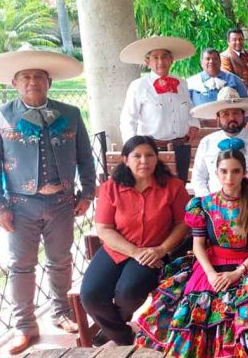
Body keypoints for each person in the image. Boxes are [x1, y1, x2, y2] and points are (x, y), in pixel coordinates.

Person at [0, 47, 95, 354]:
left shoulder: (71, 113)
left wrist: (87, 193)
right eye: (25, 77)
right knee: (21, 265)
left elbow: (85, 158)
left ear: (48, 81)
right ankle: (24, 325)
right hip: (19, 205)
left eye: (38, 77)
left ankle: (61, 311)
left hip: (62, 202)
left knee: (61, 260)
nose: (32, 82)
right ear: (14, 83)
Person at [136, 148, 248, 357]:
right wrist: (210, 273)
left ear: (244, 172)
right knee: (195, 308)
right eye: (224, 171)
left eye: (235, 171)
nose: (229, 177)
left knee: (246, 311)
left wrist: (239, 272)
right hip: (211, 263)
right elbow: (198, 245)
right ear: (216, 173)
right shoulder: (203, 204)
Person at [81, 136, 189, 346]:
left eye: (149, 155)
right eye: (137, 156)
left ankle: (111, 330)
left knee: (128, 292)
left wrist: (162, 249)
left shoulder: (173, 187)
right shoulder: (111, 187)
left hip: (154, 253)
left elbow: (183, 223)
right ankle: (122, 336)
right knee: (90, 294)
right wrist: (134, 251)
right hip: (118, 248)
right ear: (125, 160)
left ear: (157, 159)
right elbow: (104, 228)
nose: (144, 161)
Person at [119, 36, 200, 182]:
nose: (160, 62)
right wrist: (133, 150)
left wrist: (193, 124)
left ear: (171, 60)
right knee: (155, 192)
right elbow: (128, 119)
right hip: (152, 150)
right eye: (155, 58)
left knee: (179, 188)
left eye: (164, 57)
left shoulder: (181, 83)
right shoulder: (139, 86)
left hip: (181, 147)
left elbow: (189, 107)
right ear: (147, 61)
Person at [190, 87, 248, 197]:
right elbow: (198, 177)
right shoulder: (206, 142)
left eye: (236, 113)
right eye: (225, 114)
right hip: (215, 208)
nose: (232, 117)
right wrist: (208, 203)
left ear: (244, 115)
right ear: (217, 117)